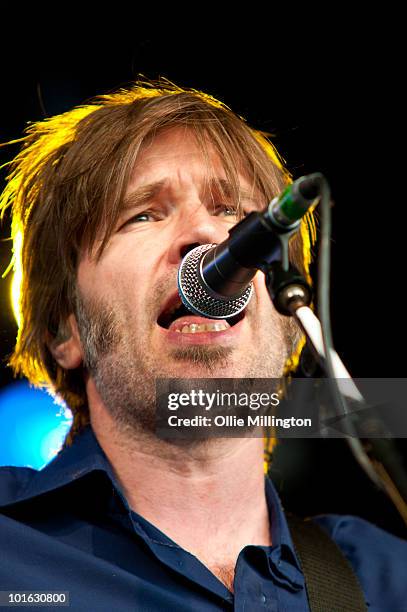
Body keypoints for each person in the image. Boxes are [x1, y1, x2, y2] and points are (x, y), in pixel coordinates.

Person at [0, 78, 405, 611]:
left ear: (289, 317)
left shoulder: (388, 579)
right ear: (66, 331)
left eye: (233, 210)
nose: (205, 236)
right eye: (142, 214)